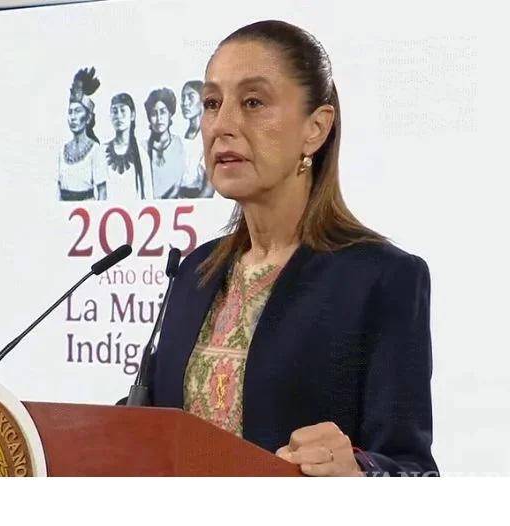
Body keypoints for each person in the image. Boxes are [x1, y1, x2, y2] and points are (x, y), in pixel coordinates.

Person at [148, 20, 438, 476]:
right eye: (211, 103)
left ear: (315, 129)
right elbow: (149, 426)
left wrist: (358, 472)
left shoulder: (381, 279)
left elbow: (414, 470)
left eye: (253, 102)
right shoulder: (195, 269)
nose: (222, 125)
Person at [57, 67, 108, 201]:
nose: (73, 117)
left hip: (87, 210)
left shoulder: (95, 150)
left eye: (78, 111)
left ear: (88, 118)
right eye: (70, 112)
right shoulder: (62, 150)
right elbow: (58, 191)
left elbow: (102, 192)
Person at [103, 93, 152, 200]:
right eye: (114, 111)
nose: (118, 116)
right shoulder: (102, 152)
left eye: (123, 110)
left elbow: (148, 197)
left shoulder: (142, 155)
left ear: (132, 115)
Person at [143, 88, 186, 199]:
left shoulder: (179, 144)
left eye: (163, 112)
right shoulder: (142, 148)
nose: (159, 118)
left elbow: (179, 183)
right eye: (154, 114)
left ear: (170, 114)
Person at [178, 80, 215, 198]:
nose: (185, 103)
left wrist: (196, 204)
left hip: (197, 198)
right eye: (183, 98)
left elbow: (210, 186)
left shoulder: (209, 136)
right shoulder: (181, 136)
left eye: (190, 97)